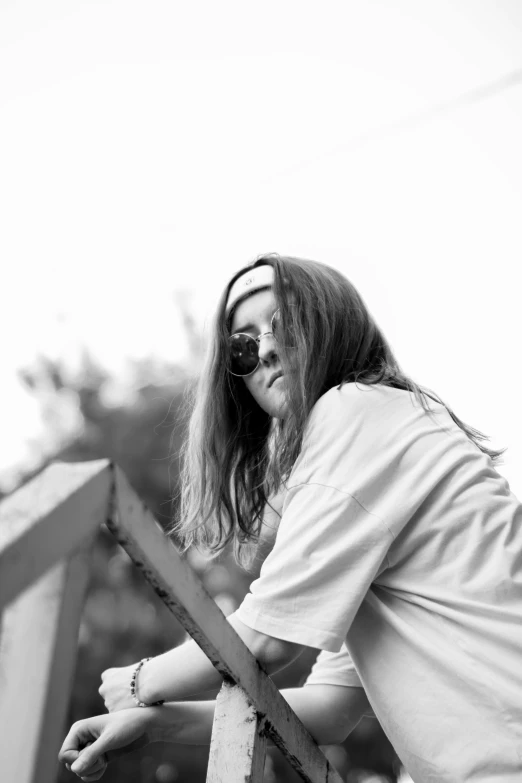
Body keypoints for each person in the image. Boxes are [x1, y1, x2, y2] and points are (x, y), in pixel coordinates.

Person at [60, 255, 522, 782]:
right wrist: (151, 725)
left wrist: (140, 683)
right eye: (244, 345)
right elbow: (330, 708)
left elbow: (266, 640)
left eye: (287, 325)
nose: (268, 350)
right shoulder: (382, 449)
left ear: (333, 323)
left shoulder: (355, 410)